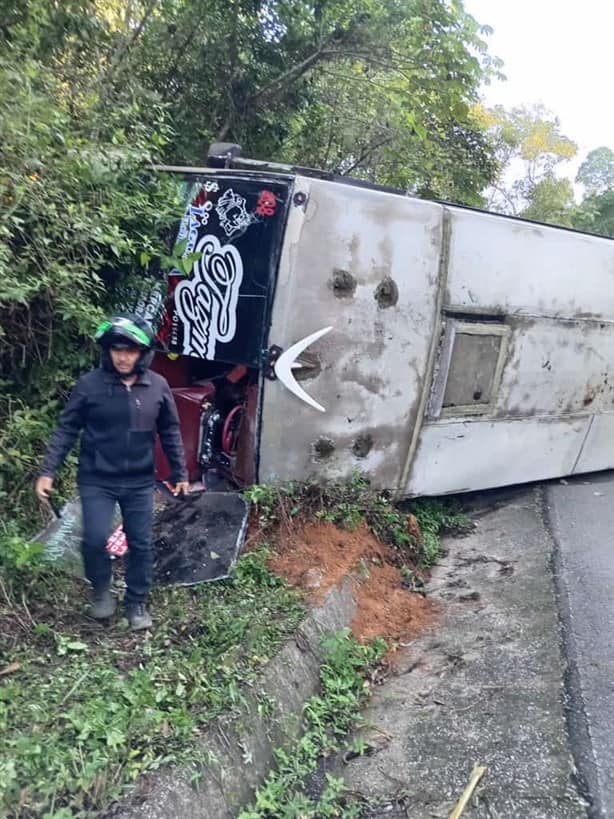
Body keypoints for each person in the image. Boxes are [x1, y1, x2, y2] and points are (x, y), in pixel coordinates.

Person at [35, 315, 188, 630]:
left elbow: (171, 431)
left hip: (140, 481)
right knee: (93, 540)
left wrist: (180, 473)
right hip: (97, 479)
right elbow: (67, 429)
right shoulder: (89, 386)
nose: (123, 356)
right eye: (117, 350)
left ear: (142, 353)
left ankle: (136, 603)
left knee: (142, 543)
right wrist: (48, 470)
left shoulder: (157, 386)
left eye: (130, 350)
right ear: (107, 351)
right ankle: (102, 591)